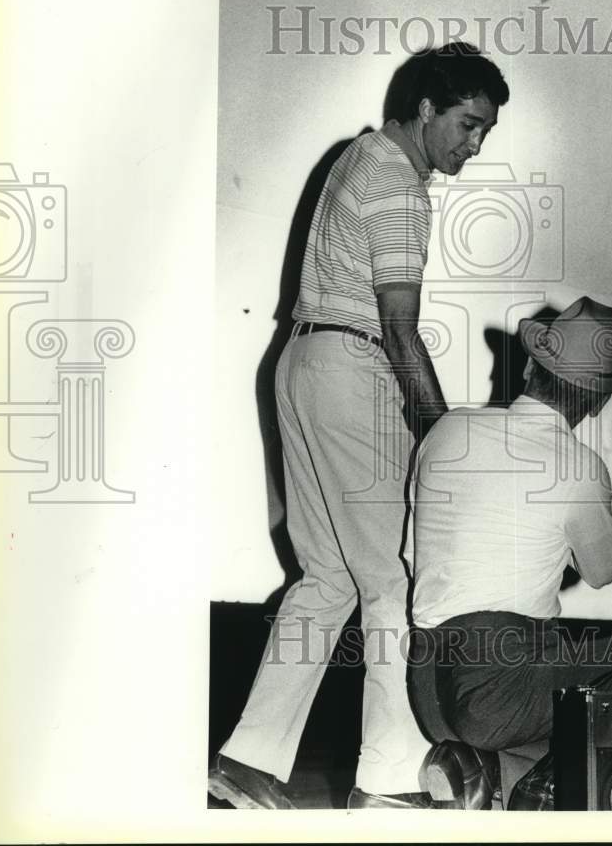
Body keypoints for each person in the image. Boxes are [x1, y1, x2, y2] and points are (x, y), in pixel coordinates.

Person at [208, 43, 510, 809]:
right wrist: (447, 444)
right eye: (468, 125)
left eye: (485, 133)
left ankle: (249, 759)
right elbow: (402, 330)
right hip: (350, 371)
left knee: (328, 578)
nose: (473, 147)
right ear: (426, 109)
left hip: (299, 366)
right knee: (393, 582)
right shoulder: (399, 182)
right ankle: (386, 780)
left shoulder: (356, 156)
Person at [406, 297, 612, 798]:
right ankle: (558, 786)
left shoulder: (448, 430)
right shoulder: (579, 466)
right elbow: (601, 571)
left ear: (531, 366)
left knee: (565, 672)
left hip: (426, 692)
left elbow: (411, 555)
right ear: (599, 399)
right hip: (499, 692)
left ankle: (488, 771)